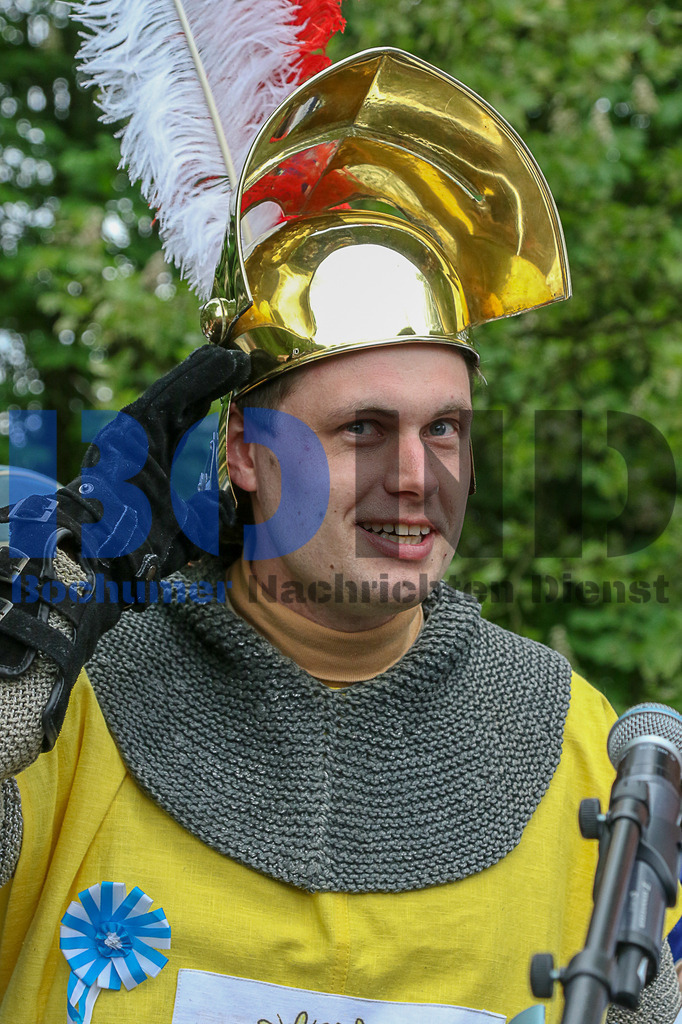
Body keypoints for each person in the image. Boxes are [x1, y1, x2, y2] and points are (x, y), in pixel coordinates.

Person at [0, 48, 680, 1024]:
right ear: (246, 449)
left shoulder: (575, 741)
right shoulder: (72, 709)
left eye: (444, 428)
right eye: (363, 428)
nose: (417, 474)